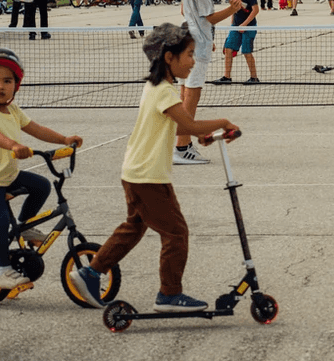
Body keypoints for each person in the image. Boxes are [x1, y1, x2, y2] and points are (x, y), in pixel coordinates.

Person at [70, 24, 239, 310]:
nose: (193, 60)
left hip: (137, 172)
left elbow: (174, 126)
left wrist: (204, 135)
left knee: (133, 227)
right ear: (169, 58)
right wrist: (222, 122)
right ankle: (169, 294)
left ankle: (91, 273)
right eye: (189, 54)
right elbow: (188, 124)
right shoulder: (165, 92)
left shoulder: (156, 87)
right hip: (148, 176)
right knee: (176, 233)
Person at [0, 48, 83, 290]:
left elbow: (36, 129)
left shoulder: (13, 111)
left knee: (42, 186)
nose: (1, 86)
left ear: (16, 85)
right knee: (1, 220)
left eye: (7, 81)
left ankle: (25, 226)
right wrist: (14, 145)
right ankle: (2, 269)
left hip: (9, 176)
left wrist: (64, 140)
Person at [175, 0, 242, 165]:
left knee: (185, 94)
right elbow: (210, 18)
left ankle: (182, 145)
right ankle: (182, 147)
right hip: (197, 46)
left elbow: (187, 12)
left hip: (191, 41)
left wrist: (207, 37)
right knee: (191, 96)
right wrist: (232, 9)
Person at [214, 0, 260, 85]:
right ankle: (227, 76)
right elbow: (234, 8)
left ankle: (254, 77)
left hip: (248, 27)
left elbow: (255, 10)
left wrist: (244, 25)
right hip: (235, 26)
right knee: (228, 49)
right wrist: (232, 23)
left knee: (246, 51)